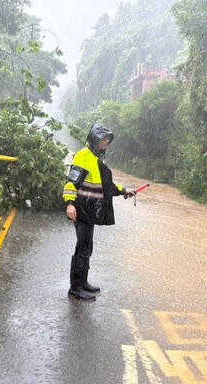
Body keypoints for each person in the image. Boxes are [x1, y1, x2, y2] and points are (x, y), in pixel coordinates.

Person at [63, 123, 135, 301]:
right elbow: (72, 181)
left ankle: (83, 282)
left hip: (90, 210)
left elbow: (107, 186)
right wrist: (70, 203)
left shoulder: (96, 159)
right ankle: (75, 288)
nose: (107, 143)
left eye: (108, 140)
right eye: (104, 139)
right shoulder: (83, 156)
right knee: (83, 247)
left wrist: (124, 190)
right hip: (81, 208)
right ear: (95, 139)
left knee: (87, 246)